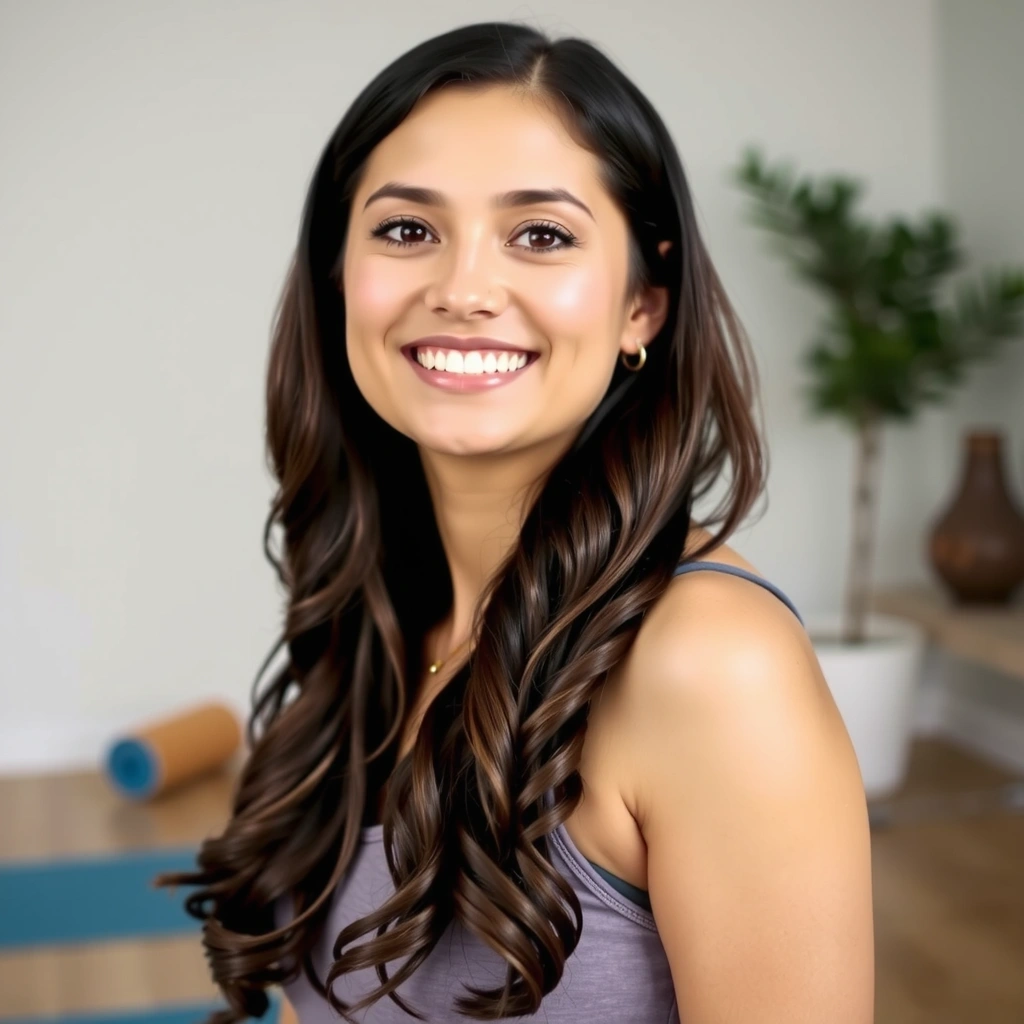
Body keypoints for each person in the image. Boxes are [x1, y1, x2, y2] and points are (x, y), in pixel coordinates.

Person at [158, 20, 874, 1024]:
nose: (461, 289)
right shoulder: (383, 618)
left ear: (642, 307)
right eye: (408, 229)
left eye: (541, 235)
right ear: (337, 277)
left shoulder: (712, 661)